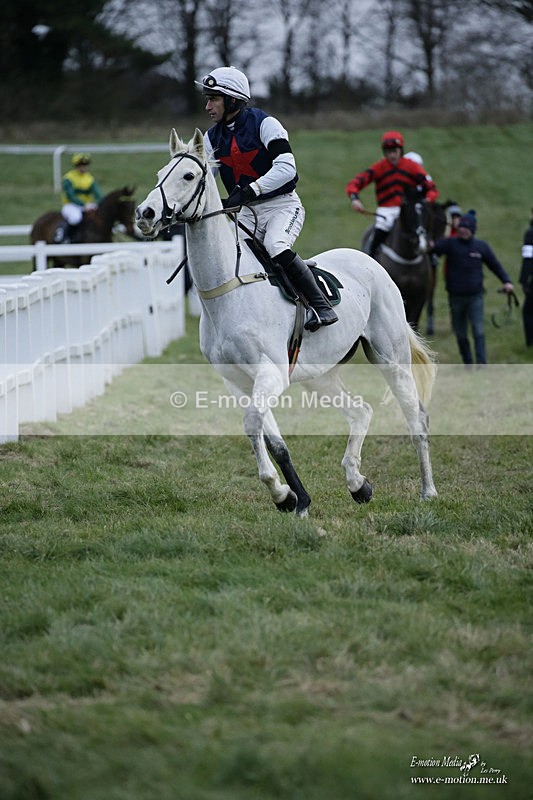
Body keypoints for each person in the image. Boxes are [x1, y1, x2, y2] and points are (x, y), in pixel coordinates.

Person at [197, 66, 337, 331]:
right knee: (230, 256)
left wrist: (250, 190)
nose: (207, 106)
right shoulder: (211, 137)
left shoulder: (265, 123)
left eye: (213, 98)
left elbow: (287, 168)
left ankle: (322, 306)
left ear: (233, 100)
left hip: (282, 206)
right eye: (207, 98)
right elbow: (207, 180)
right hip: (246, 213)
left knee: (275, 245)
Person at [431, 210, 514, 366]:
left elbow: (495, 266)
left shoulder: (481, 247)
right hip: (455, 297)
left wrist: (507, 281)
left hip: (475, 297)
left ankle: (481, 364)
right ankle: (468, 363)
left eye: (467, 228)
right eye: (461, 227)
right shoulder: (450, 244)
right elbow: (432, 248)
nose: (463, 230)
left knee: (478, 331)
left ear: (473, 229)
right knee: (461, 333)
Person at [346, 131, 438, 258]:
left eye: (395, 150)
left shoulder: (412, 166)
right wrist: (354, 198)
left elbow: (431, 187)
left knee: (424, 230)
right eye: (389, 152)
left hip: (410, 208)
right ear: (385, 153)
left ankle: (432, 260)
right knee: (380, 230)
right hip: (387, 210)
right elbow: (355, 183)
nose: (392, 155)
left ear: (401, 150)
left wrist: (427, 200)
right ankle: (370, 259)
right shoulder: (379, 167)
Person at [55, 153, 104, 243]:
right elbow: (71, 196)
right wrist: (84, 204)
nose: (83, 167)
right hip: (71, 205)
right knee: (75, 218)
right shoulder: (68, 178)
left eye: (85, 165)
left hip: (87, 205)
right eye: (81, 165)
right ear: (76, 166)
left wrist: (103, 203)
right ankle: (66, 238)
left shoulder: (90, 179)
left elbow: (98, 194)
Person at [519, 207, 533, 346]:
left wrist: (524, 280)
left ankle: (530, 342)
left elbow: (528, 257)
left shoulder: (530, 233)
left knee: (528, 311)